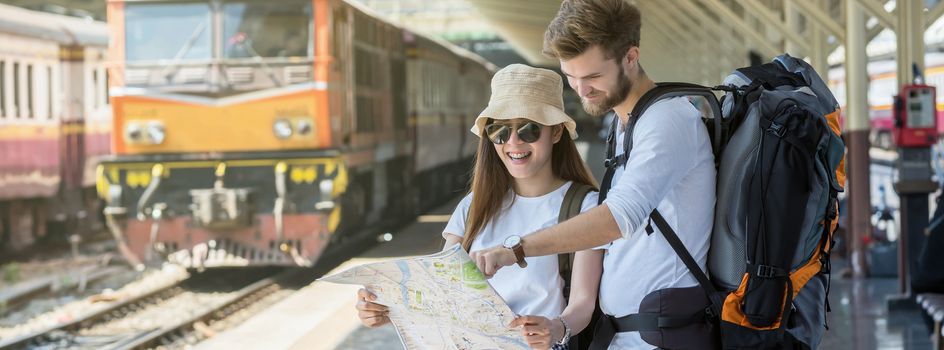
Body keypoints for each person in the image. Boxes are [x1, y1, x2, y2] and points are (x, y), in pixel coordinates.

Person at [470, 1, 717, 349]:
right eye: (571, 76)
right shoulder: (625, 122)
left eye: (593, 77)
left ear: (630, 58)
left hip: (664, 335)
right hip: (636, 333)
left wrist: (517, 249)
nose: (581, 90)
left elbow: (617, 218)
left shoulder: (667, 121)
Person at [355, 64, 604, 350]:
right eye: (500, 130)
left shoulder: (584, 206)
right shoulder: (474, 205)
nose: (513, 142)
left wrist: (555, 327)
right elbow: (442, 291)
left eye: (529, 129)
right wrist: (386, 310)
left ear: (557, 132)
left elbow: (583, 305)